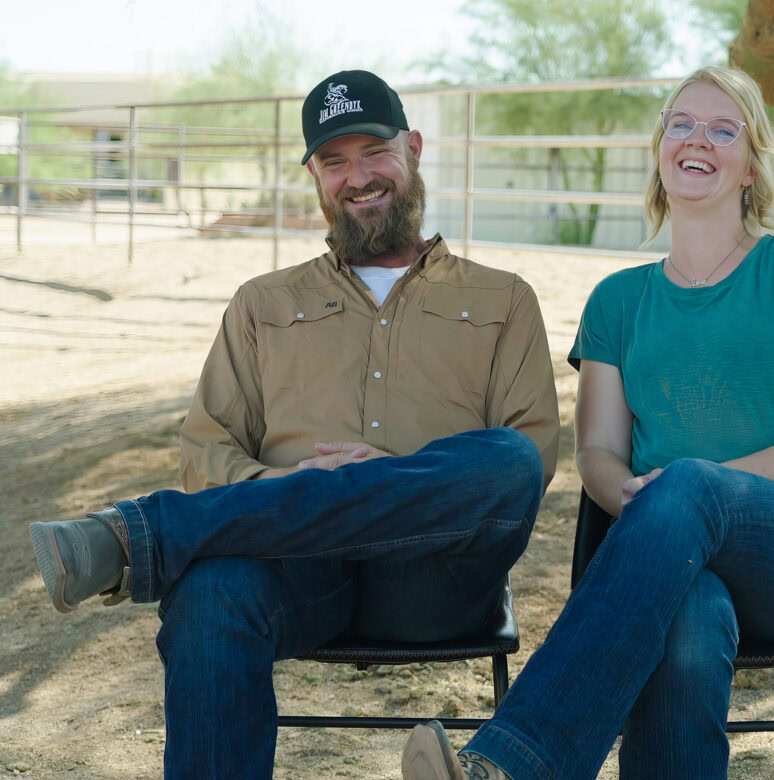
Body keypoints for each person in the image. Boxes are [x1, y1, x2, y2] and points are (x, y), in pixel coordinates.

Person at [29, 69, 559, 778]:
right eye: (333, 161)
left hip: (434, 577)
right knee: (210, 595)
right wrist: (293, 485)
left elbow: (530, 460)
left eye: (373, 151)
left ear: (415, 148)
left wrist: (392, 479)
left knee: (508, 461)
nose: (357, 177)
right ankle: (168, 535)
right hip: (296, 568)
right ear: (314, 174)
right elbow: (205, 451)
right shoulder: (261, 304)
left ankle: (140, 535)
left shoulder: (504, 298)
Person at [401, 65, 774, 780]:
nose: (697, 138)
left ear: (750, 165)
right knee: (688, 613)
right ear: (660, 150)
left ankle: (519, 762)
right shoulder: (617, 301)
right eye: (680, 123)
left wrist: (693, 488)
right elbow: (598, 452)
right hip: (667, 558)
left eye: (723, 128)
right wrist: (632, 495)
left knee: (688, 489)